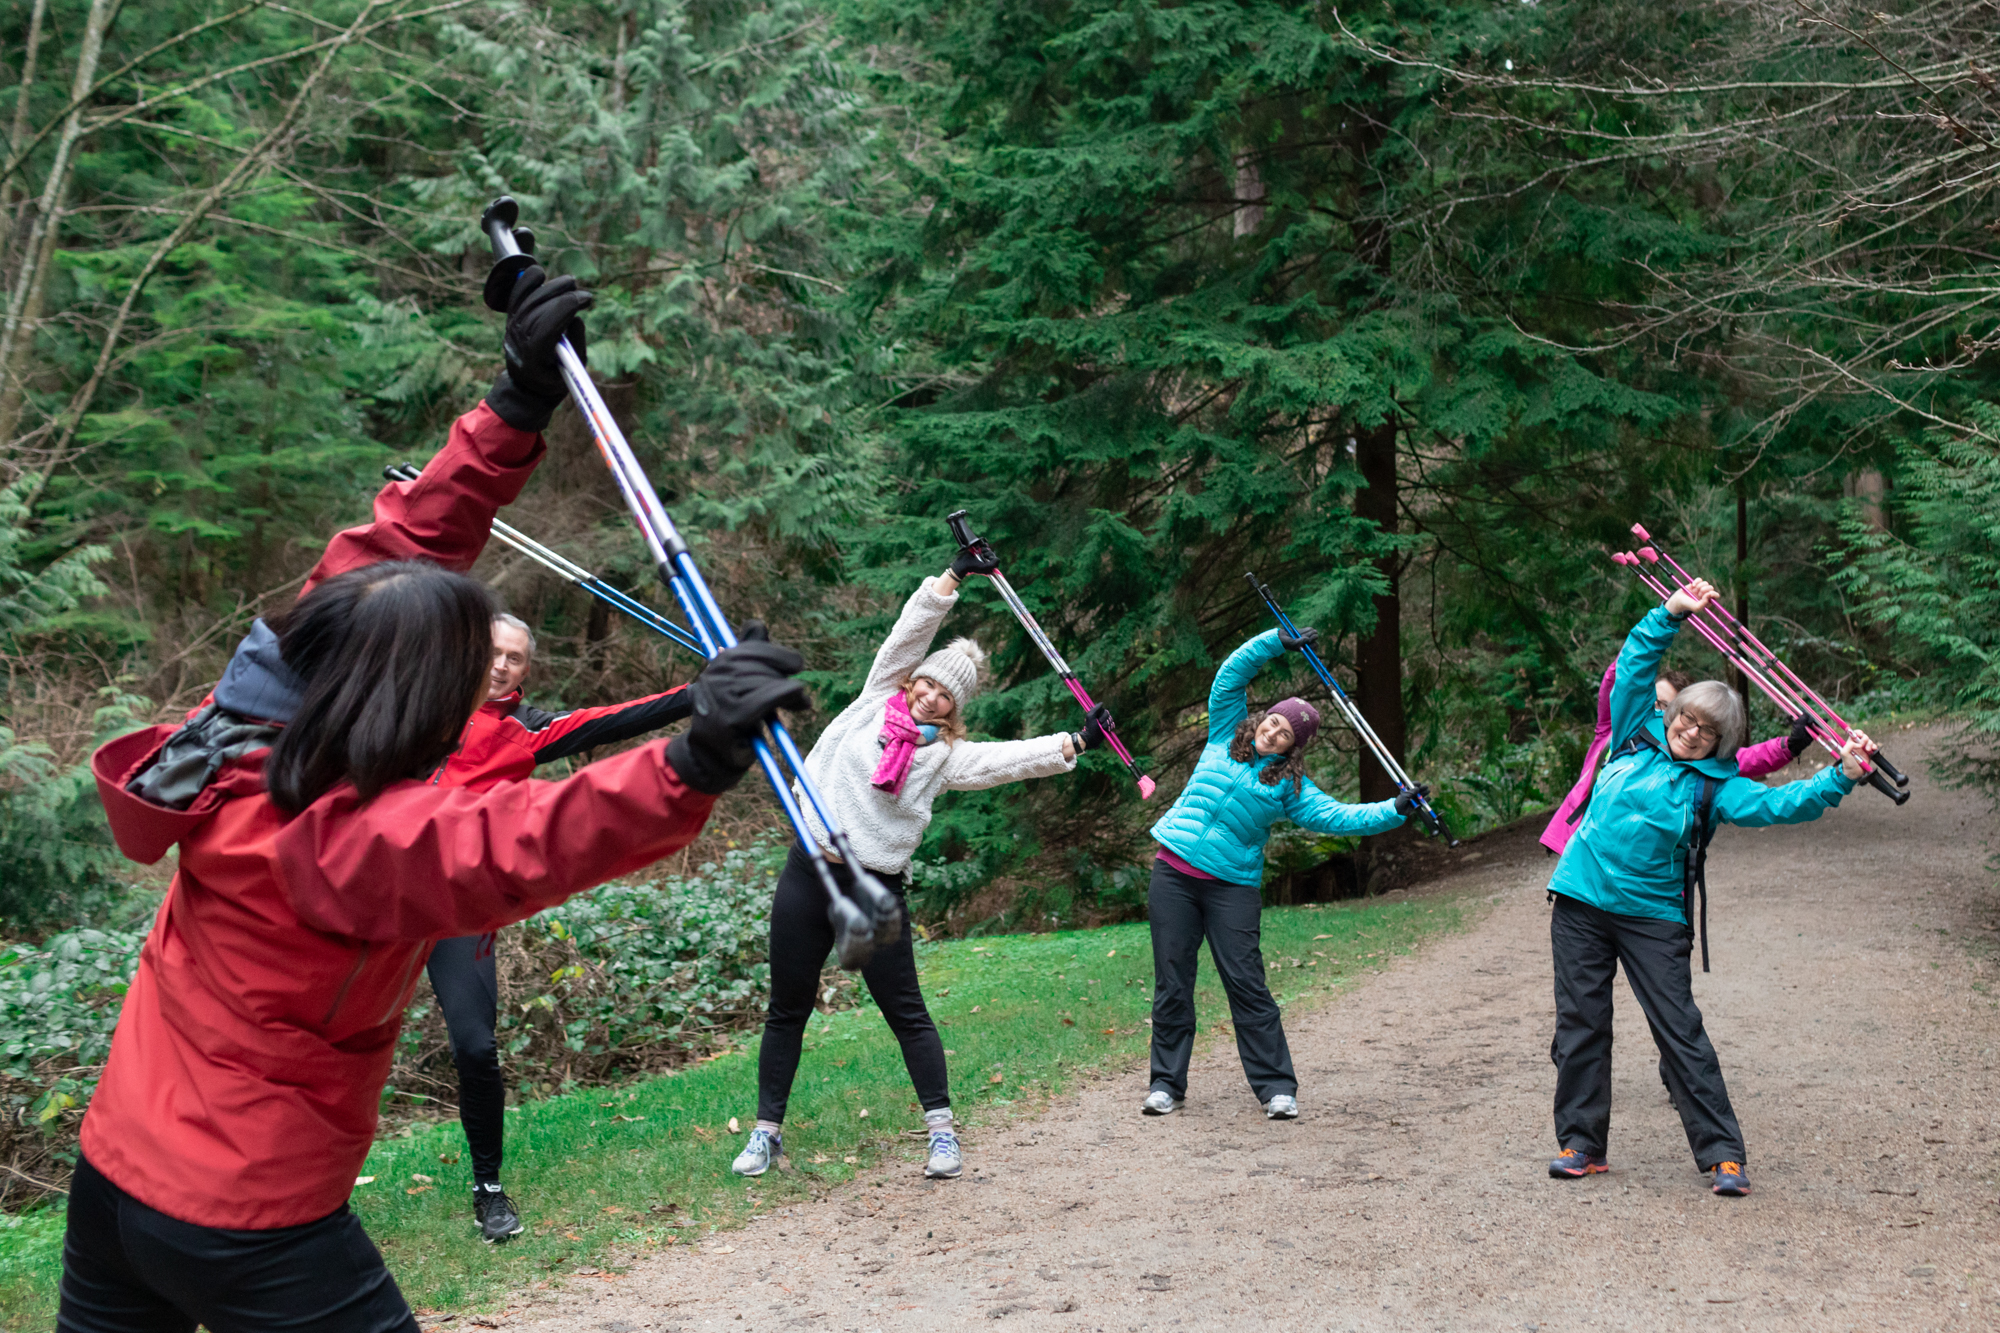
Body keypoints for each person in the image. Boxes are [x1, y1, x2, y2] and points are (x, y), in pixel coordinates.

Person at [61, 266, 807, 1333]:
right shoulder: (343, 842)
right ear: (409, 700)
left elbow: (397, 550)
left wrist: (514, 403)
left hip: (116, 1170)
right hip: (249, 1212)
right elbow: (511, 843)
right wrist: (689, 766)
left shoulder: (254, 720)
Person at [729, 552, 1104, 1182]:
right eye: (927, 683)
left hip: (873, 889)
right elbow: (910, 632)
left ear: (955, 708)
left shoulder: (947, 756)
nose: (930, 694)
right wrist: (951, 579)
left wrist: (1074, 742)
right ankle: (766, 1134)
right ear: (913, 681)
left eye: (945, 695)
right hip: (807, 873)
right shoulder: (877, 698)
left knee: (905, 1010)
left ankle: (942, 1134)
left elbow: (1007, 760)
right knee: (786, 1008)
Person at [1544, 577, 1874, 1198]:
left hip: (1651, 916)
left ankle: (1722, 1153)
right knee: (1581, 1025)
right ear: (1672, 714)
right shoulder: (1631, 737)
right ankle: (1581, 1144)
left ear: (1722, 743)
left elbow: (1784, 805)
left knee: (1679, 1030)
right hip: (1580, 903)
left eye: (1707, 730)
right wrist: (1669, 612)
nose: (1691, 731)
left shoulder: (1718, 787)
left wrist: (1841, 776)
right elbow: (1636, 663)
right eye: (1687, 718)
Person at [425, 611, 695, 1244]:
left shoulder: (527, 729)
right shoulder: (420, 700)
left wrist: (702, 694)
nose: (500, 665)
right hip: (382, 891)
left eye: (515, 658)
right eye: (492, 652)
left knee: (476, 1046)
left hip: (458, 907)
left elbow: (620, 718)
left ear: (527, 669)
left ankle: (488, 1189)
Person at [1142, 624, 1413, 1120]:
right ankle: (1166, 1084)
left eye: (1283, 733)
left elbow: (1339, 815)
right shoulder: (1226, 731)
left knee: (1247, 984)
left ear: (1293, 746)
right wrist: (1274, 642)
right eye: (1271, 722)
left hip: (1232, 888)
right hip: (1174, 875)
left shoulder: (1290, 787)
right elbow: (1229, 677)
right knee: (1173, 981)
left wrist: (1394, 808)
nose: (1271, 732)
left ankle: (1276, 1089)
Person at [1541, 663, 1814, 857]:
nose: (1654, 711)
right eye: (1653, 701)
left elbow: (1745, 759)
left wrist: (1789, 745)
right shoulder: (1613, 728)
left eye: (1664, 707)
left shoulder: (1690, 752)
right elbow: (1616, 680)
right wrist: (1659, 624)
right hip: (1583, 842)